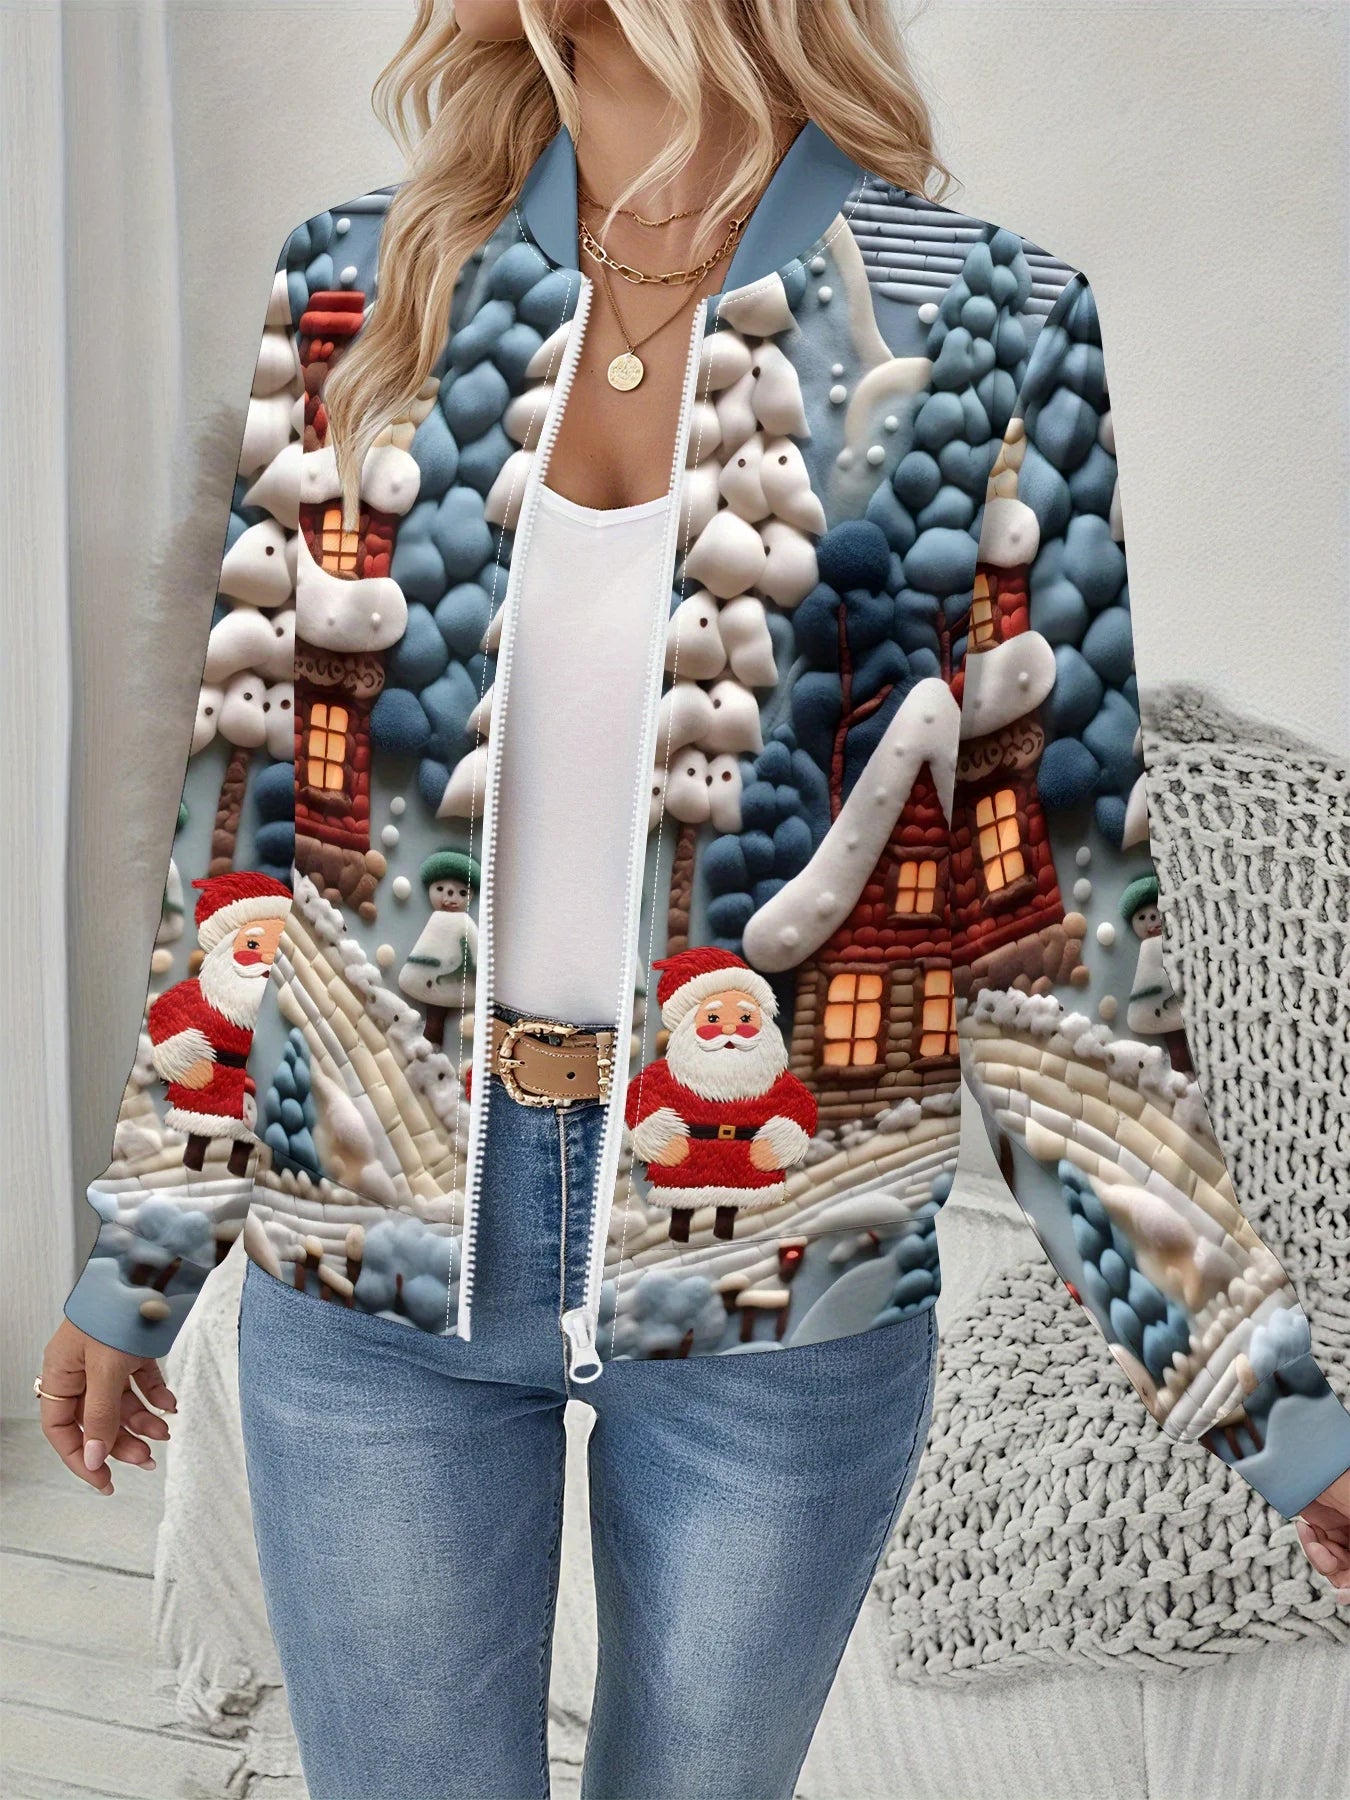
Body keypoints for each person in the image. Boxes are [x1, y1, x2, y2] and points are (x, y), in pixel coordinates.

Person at [39, 3, 1350, 1796]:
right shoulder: (360, 283)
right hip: (368, 1248)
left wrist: (1254, 1389)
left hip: (786, 1271)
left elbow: (1053, 918)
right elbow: (250, 832)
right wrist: (142, 1246)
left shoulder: (979, 313)